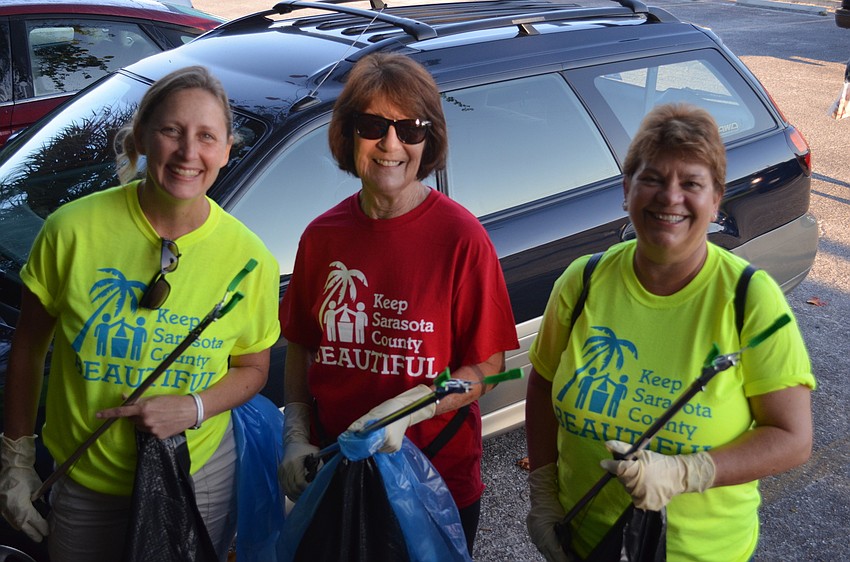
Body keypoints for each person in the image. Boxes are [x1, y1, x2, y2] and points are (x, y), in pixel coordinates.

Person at [0, 65, 280, 562]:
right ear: (143, 137)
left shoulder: (249, 259)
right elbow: (28, 346)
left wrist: (193, 407)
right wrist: (16, 459)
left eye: (206, 136)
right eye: (172, 130)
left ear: (226, 150)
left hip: (197, 480)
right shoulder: (71, 231)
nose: (188, 153)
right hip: (85, 482)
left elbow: (253, 368)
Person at [525, 103, 815, 562]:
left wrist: (688, 473)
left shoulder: (751, 300)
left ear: (716, 200)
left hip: (699, 553)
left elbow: (792, 437)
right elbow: (542, 386)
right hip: (581, 541)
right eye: (653, 179)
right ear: (627, 190)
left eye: (691, 183)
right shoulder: (582, 282)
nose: (669, 197)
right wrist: (543, 492)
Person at [277, 52, 519, 554]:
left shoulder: (461, 239)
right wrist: (295, 434)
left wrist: (417, 406)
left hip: (433, 481)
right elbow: (301, 344)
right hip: (334, 470)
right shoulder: (322, 237)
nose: (391, 144)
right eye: (372, 126)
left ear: (429, 140)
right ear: (348, 134)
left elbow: (488, 368)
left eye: (410, 128)